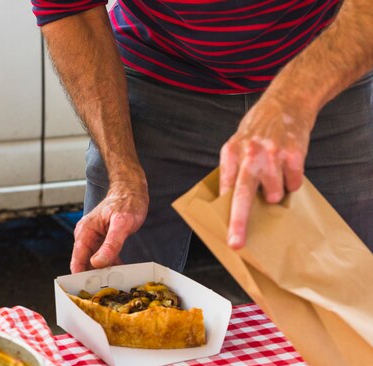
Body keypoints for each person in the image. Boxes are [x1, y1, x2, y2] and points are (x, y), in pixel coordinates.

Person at [30, 0, 373, 273]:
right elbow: (71, 10)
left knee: (352, 312)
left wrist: (292, 100)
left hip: (325, 73)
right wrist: (123, 174)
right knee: (110, 295)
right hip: (157, 76)